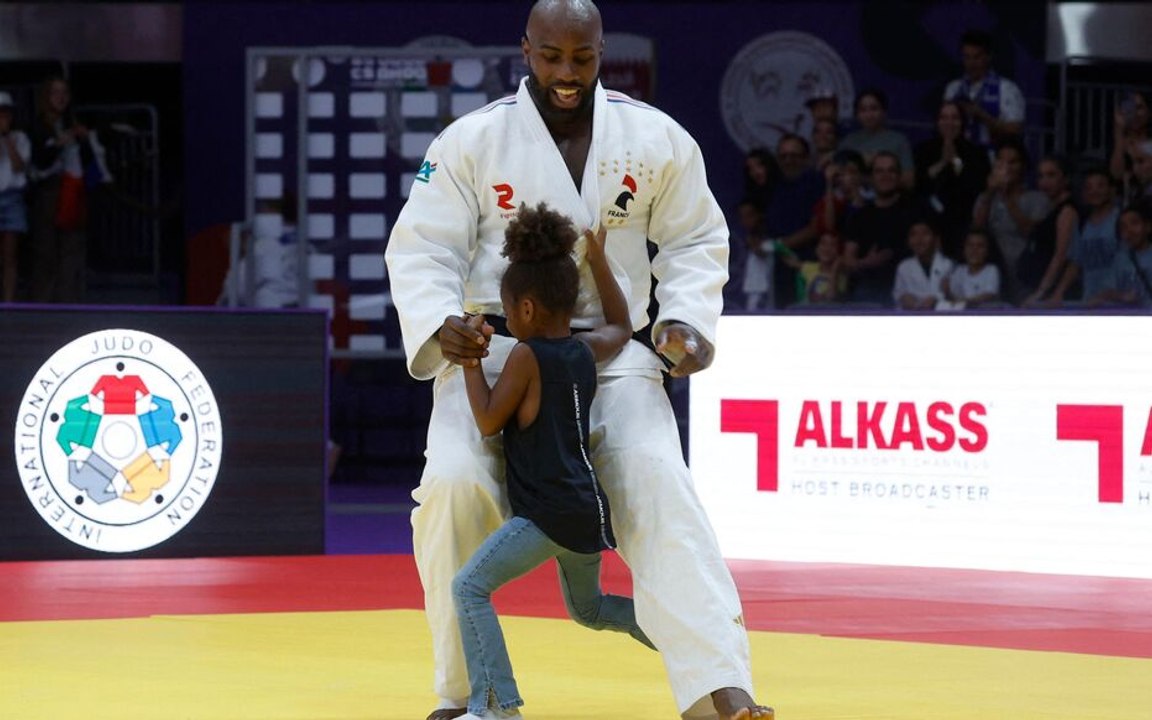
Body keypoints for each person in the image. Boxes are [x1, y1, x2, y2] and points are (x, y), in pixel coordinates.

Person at [383, 3, 771, 719]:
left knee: (659, 481)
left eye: (582, 58)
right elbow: (423, 248)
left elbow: (694, 241)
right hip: (496, 349)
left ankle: (718, 688)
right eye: (552, 57)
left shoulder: (655, 137)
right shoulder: (472, 140)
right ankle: (468, 694)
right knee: (452, 485)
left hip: (611, 352)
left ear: (601, 52)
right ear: (525, 50)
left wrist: (683, 323)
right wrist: (445, 326)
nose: (567, 73)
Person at [452, 203, 654, 719]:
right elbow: (623, 326)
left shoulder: (525, 357)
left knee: (469, 587)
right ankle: (683, 639)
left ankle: (496, 707)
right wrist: (601, 259)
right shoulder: (585, 351)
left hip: (548, 514)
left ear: (522, 309)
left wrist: (473, 358)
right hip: (586, 513)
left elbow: (489, 421)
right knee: (590, 610)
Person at [27, 75, 108, 303]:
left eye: (64, 93)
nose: (60, 98)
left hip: (74, 193)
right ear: (46, 96)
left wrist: (82, 140)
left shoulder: (75, 124)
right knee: (46, 254)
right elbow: (37, 161)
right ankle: (42, 309)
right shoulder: (38, 125)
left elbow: (90, 164)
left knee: (72, 252)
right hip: (49, 194)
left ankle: (69, 304)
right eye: (55, 92)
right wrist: (58, 144)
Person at [971, 137, 1048, 303]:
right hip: (991, 275)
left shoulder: (1037, 199)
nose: (1006, 167)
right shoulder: (985, 198)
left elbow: (1029, 231)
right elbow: (977, 230)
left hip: (1024, 275)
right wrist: (990, 193)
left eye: (1012, 162)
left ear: (1023, 167)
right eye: (1001, 161)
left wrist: (1007, 197)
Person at [913, 100, 990, 259]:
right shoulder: (923, 150)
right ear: (937, 121)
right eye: (944, 117)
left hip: (963, 218)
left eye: (955, 118)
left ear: (962, 122)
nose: (949, 123)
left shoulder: (976, 153)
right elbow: (919, 183)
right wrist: (942, 162)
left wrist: (955, 160)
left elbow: (975, 185)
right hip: (928, 216)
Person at [842, 151, 914, 305]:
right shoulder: (859, 216)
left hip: (911, 286)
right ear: (870, 178)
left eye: (891, 170)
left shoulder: (917, 209)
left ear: (899, 176)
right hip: (870, 288)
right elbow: (848, 261)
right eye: (879, 171)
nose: (885, 176)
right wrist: (866, 263)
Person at [1045, 166, 1121, 306]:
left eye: (1100, 186)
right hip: (1090, 302)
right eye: (1089, 187)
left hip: (1121, 303)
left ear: (1112, 190)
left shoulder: (1122, 219)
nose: (1094, 191)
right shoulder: (1082, 223)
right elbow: (1076, 262)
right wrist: (1058, 293)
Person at [765, 133, 824, 307]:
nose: (788, 160)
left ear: (806, 158)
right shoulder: (773, 185)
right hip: (778, 268)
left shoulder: (816, 182)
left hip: (810, 264)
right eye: (783, 156)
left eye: (794, 156)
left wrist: (781, 245)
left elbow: (817, 226)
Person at [943, 29, 1025, 153]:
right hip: (958, 155)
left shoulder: (1007, 89)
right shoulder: (953, 88)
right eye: (967, 57)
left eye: (977, 57)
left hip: (991, 155)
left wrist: (982, 116)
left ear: (988, 57)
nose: (971, 63)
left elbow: (1015, 129)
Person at [1018, 156, 1078, 306]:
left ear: (1066, 178)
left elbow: (1061, 255)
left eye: (1051, 175)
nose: (1045, 181)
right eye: (1041, 176)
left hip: (1052, 296)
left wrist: (1041, 292)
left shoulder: (1067, 211)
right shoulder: (1050, 210)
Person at [837, 88, 915, 189]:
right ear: (857, 115)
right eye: (863, 110)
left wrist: (866, 178)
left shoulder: (899, 140)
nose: (869, 115)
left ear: (884, 111)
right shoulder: (848, 141)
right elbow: (837, 176)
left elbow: (909, 181)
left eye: (874, 109)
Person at [1085, 200, 1152, 308]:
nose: (1129, 230)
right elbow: (1106, 291)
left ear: (1148, 226)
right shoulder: (1121, 258)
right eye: (1123, 227)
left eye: (1134, 223)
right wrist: (1122, 296)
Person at [0, 91, 30, 303]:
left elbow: (19, 166)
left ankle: (8, 304)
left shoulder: (20, 138)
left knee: (9, 257)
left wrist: (6, 138)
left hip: (12, 199)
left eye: (6, 113)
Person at [892, 218, 955, 310]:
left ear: (936, 240)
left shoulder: (948, 265)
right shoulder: (904, 267)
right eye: (913, 235)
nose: (919, 240)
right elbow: (897, 294)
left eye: (925, 234)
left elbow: (954, 296)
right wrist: (903, 298)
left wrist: (936, 299)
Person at [779, 231, 844, 304]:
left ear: (839, 251)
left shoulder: (842, 270)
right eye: (823, 243)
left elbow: (831, 298)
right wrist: (777, 246)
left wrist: (835, 268)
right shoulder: (810, 267)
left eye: (832, 245)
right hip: (809, 311)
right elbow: (790, 261)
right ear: (817, 249)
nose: (827, 248)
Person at [943, 228, 1001, 307]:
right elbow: (954, 298)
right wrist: (947, 291)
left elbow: (989, 295)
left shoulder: (991, 270)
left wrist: (966, 301)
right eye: (970, 245)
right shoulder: (959, 270)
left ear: (987, 251)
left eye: (980, 246)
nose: (974, 250)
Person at [1109, 90, 1150, 199]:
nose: (1134, 113)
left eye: (1140, 108)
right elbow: (1116, 174)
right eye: (1130, 108)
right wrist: (1119, 131)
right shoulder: (1120, 142)